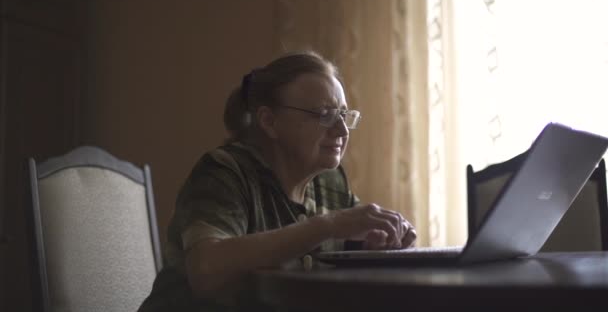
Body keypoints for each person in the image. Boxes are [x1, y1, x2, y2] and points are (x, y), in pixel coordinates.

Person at [137, 51, 416, 311]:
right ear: (269, 121)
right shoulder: (225, 172)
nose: (342, 129)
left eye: (344, 115)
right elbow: (207, 271)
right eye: (325, 115)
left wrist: (377, 247)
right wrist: (327, 226)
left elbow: (346, 259)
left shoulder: (331, 182)